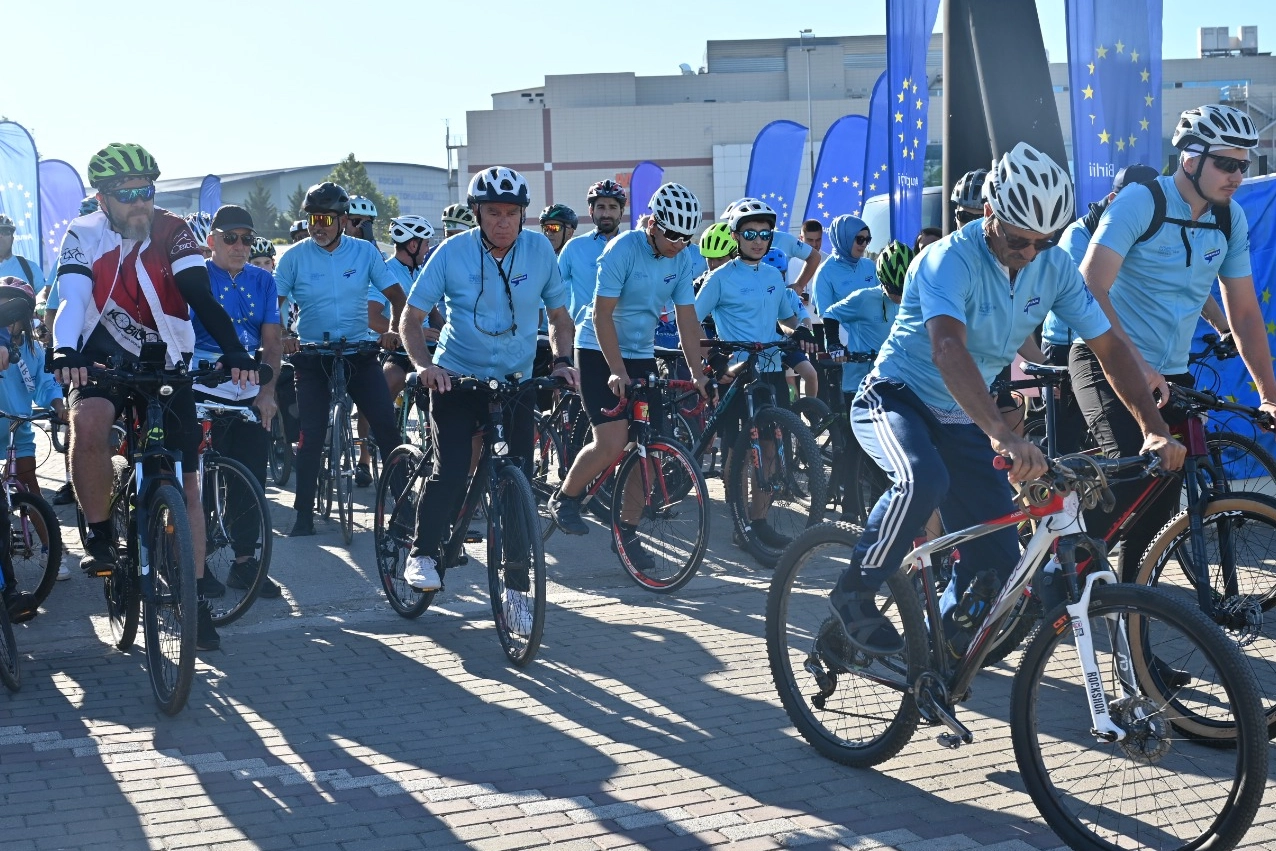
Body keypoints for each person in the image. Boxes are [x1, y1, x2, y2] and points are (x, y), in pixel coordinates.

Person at [826, 142, 1183, 656]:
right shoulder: (947, 259)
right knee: (923, 478)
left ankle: (934, 659)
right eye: (1020, 239)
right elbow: (949, 350)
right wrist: (1004, 433)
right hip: (897, 398)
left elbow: (1108, 347)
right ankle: (853, 592)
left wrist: (1153, 427)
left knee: (994, 561)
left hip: (962, 418)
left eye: (1044, 240)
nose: (1031, 252)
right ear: (990, 211)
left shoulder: (1054, 266)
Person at [51, 142, 258, 652]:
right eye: (128, 195)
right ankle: (99, 533)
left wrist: (234, 350)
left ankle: (193, 599)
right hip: (100, 355)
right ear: (103, 199)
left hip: (166, 359)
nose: (141, 203)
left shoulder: (173, 229)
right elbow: (72, 300)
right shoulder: (83, 234)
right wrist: (63, 350)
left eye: (147, 191)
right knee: (92, 420)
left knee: (187, 480)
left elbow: (198, 293)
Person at [1072, 104, 1276, 583]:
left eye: (1244, 165)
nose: (1236, 175)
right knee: (1132, 476)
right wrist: (1138, 364)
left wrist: (1269, 393)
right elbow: (1090, 287)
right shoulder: (1143, 201)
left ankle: (1135, 614)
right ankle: (1060, 579)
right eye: (1226, 163)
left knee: (1160, 501)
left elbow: (1244, 313)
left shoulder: (1229, 221)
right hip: (1106, 356)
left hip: (1171, 371)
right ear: (1190, 159)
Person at [398, 167, 578, 634]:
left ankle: (516, 590)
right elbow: (411, 319)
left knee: (516, 490)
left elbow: (560, 316)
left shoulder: (540, 250)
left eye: (512, 213)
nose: (503, 221)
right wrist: (423, 367)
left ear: (524, 216)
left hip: (514, 382)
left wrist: (561, 362)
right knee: (452, 469)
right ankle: (422, 551)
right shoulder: (451, 253)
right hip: (457, 379)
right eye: (493, 212)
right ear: (477, 214)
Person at [548, 183, 710, 549]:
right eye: (672, 234)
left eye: (687, 237)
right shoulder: (622, 249)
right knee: (613, 441)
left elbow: (687, 319)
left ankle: (628, 533)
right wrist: (616, 370)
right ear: (652, 223)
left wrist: (698, 372)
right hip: (595, 348)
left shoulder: (681, 257)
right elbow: (601, 315)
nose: (679, 243)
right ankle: (566, 497)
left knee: (648, 448)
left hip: (640, 352)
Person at [274, 181, 405, 536]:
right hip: (312, 355)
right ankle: (303, 516)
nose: (319, 225)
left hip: (359, 353)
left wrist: (391, 330)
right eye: (313, 218)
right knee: (312, 435)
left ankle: (405, 509)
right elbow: (277, 303)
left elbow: (397, 296)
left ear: (344, 220)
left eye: (327, 219)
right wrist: (286, 336)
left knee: (386, 427)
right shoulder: (294, 256)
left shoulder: (364, 252)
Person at [696, 198, 812, 548]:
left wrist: (798, 331)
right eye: (750, 234)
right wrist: (714, 359)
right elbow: (693, 320)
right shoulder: (720, 277)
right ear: (735, 236)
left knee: (769, 445)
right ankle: (738, 520)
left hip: (771, 367)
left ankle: (758, 520)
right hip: (737, 371)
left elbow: (785, 320)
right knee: (737, 449)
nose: (759, 240)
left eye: (765, 234)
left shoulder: (775, 276)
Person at [190, 205, 284, 601]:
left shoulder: (263, 280)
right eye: (231, 238)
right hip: (202, 384)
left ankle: (245, 566)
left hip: (249, 390)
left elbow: (273, 341)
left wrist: (267, 393)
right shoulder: (194, 274)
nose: (240, 246)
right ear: (212, 241)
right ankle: (196, 564)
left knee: (250, 482)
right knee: (198, 482)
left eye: (247, 238)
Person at [0, 279, 67, 596]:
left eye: (16, 311)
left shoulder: (32, 350)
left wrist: (57, 403)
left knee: (31, 486)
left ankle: (50, 549)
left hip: (19, 427)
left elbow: (44, 383)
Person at [362, 214, 438, 484]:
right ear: (412, 244)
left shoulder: (424, 270)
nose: (428, 248)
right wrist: (398, 332)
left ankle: (436, 442)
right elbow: (371, 317)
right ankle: (380, 430)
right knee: (389, 378)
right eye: (425, 243)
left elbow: (436, 313)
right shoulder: (386, 272)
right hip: (397, 347)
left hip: (429, 349)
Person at [559, 179, 627, 325]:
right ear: (591, 210)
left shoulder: (631, 246)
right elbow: (553, 291)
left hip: (623, 334)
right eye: (601, 207)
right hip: (582, 337)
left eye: (613, 207)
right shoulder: (573, 247)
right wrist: (564, 323)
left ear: (621, 211)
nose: (606, 213)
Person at [812, 214, 878, 352]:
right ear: (844, 238)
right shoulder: (824, 272)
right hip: (846, 348)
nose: (864, 244)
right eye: (860, 239)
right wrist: (847, 344)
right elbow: (826, 315)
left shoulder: (870, 265)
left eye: (867, 239)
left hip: (876, 342)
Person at [762, 248, 819, 399]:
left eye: (781, 274)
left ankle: (811, 410)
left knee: (811, 374)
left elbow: (805, 318)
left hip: (786, 345)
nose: (778, 278)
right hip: (763, 349)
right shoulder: (756, 295)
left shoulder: (789, 294)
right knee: (783, 385)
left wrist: (806, 332)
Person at [0, 214, 43, 291]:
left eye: (5, 232)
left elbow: (44, 298)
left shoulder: (30, 268)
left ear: (12, 239)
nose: (0, 236)